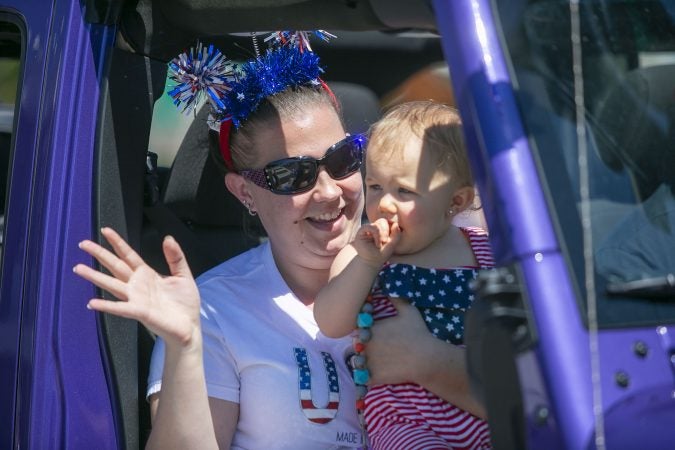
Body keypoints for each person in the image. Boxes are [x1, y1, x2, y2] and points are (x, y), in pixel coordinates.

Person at [73, 34, 483, 450]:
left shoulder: (457, 261)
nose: (328, 192)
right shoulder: (215, 310)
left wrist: (434, 363)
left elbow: (543, 405)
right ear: (244, 193)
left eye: (343, 160)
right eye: (292, 175)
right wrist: (186, 346)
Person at [315, 101, 493, 450]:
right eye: (376, 186)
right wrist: (366, 264)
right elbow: (330, 322)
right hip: (404, 423)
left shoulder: (485, 252)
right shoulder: (361, 253)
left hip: (484, 414)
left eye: (404, 191)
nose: (384, 204)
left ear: (456, 202)